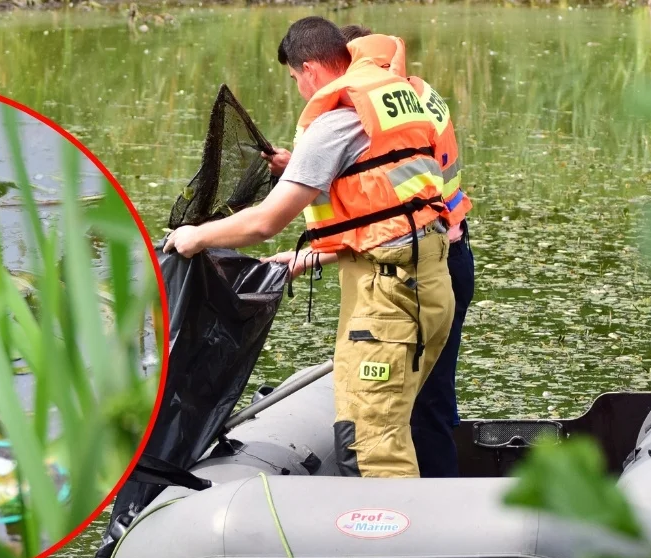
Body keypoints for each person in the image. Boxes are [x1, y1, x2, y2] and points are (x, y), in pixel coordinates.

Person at [163, 16, 454, 479]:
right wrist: (308, 254)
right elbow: (387, 212)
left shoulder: (335, 121)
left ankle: (394, 547)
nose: (299, 87)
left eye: (296, 77)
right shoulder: (393, 103)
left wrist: (193, 237)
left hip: (387, 299)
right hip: (431, 284)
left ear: (312, 69)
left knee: (372, 443)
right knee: (395, 425)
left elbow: (266, 221)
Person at [337, 24, 476, 478]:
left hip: (426, 263)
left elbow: (385, 194)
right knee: (432, 396)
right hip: (451, 253)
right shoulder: (416, 94)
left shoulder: (378, 108)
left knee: (421, 405)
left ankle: (433, 521)